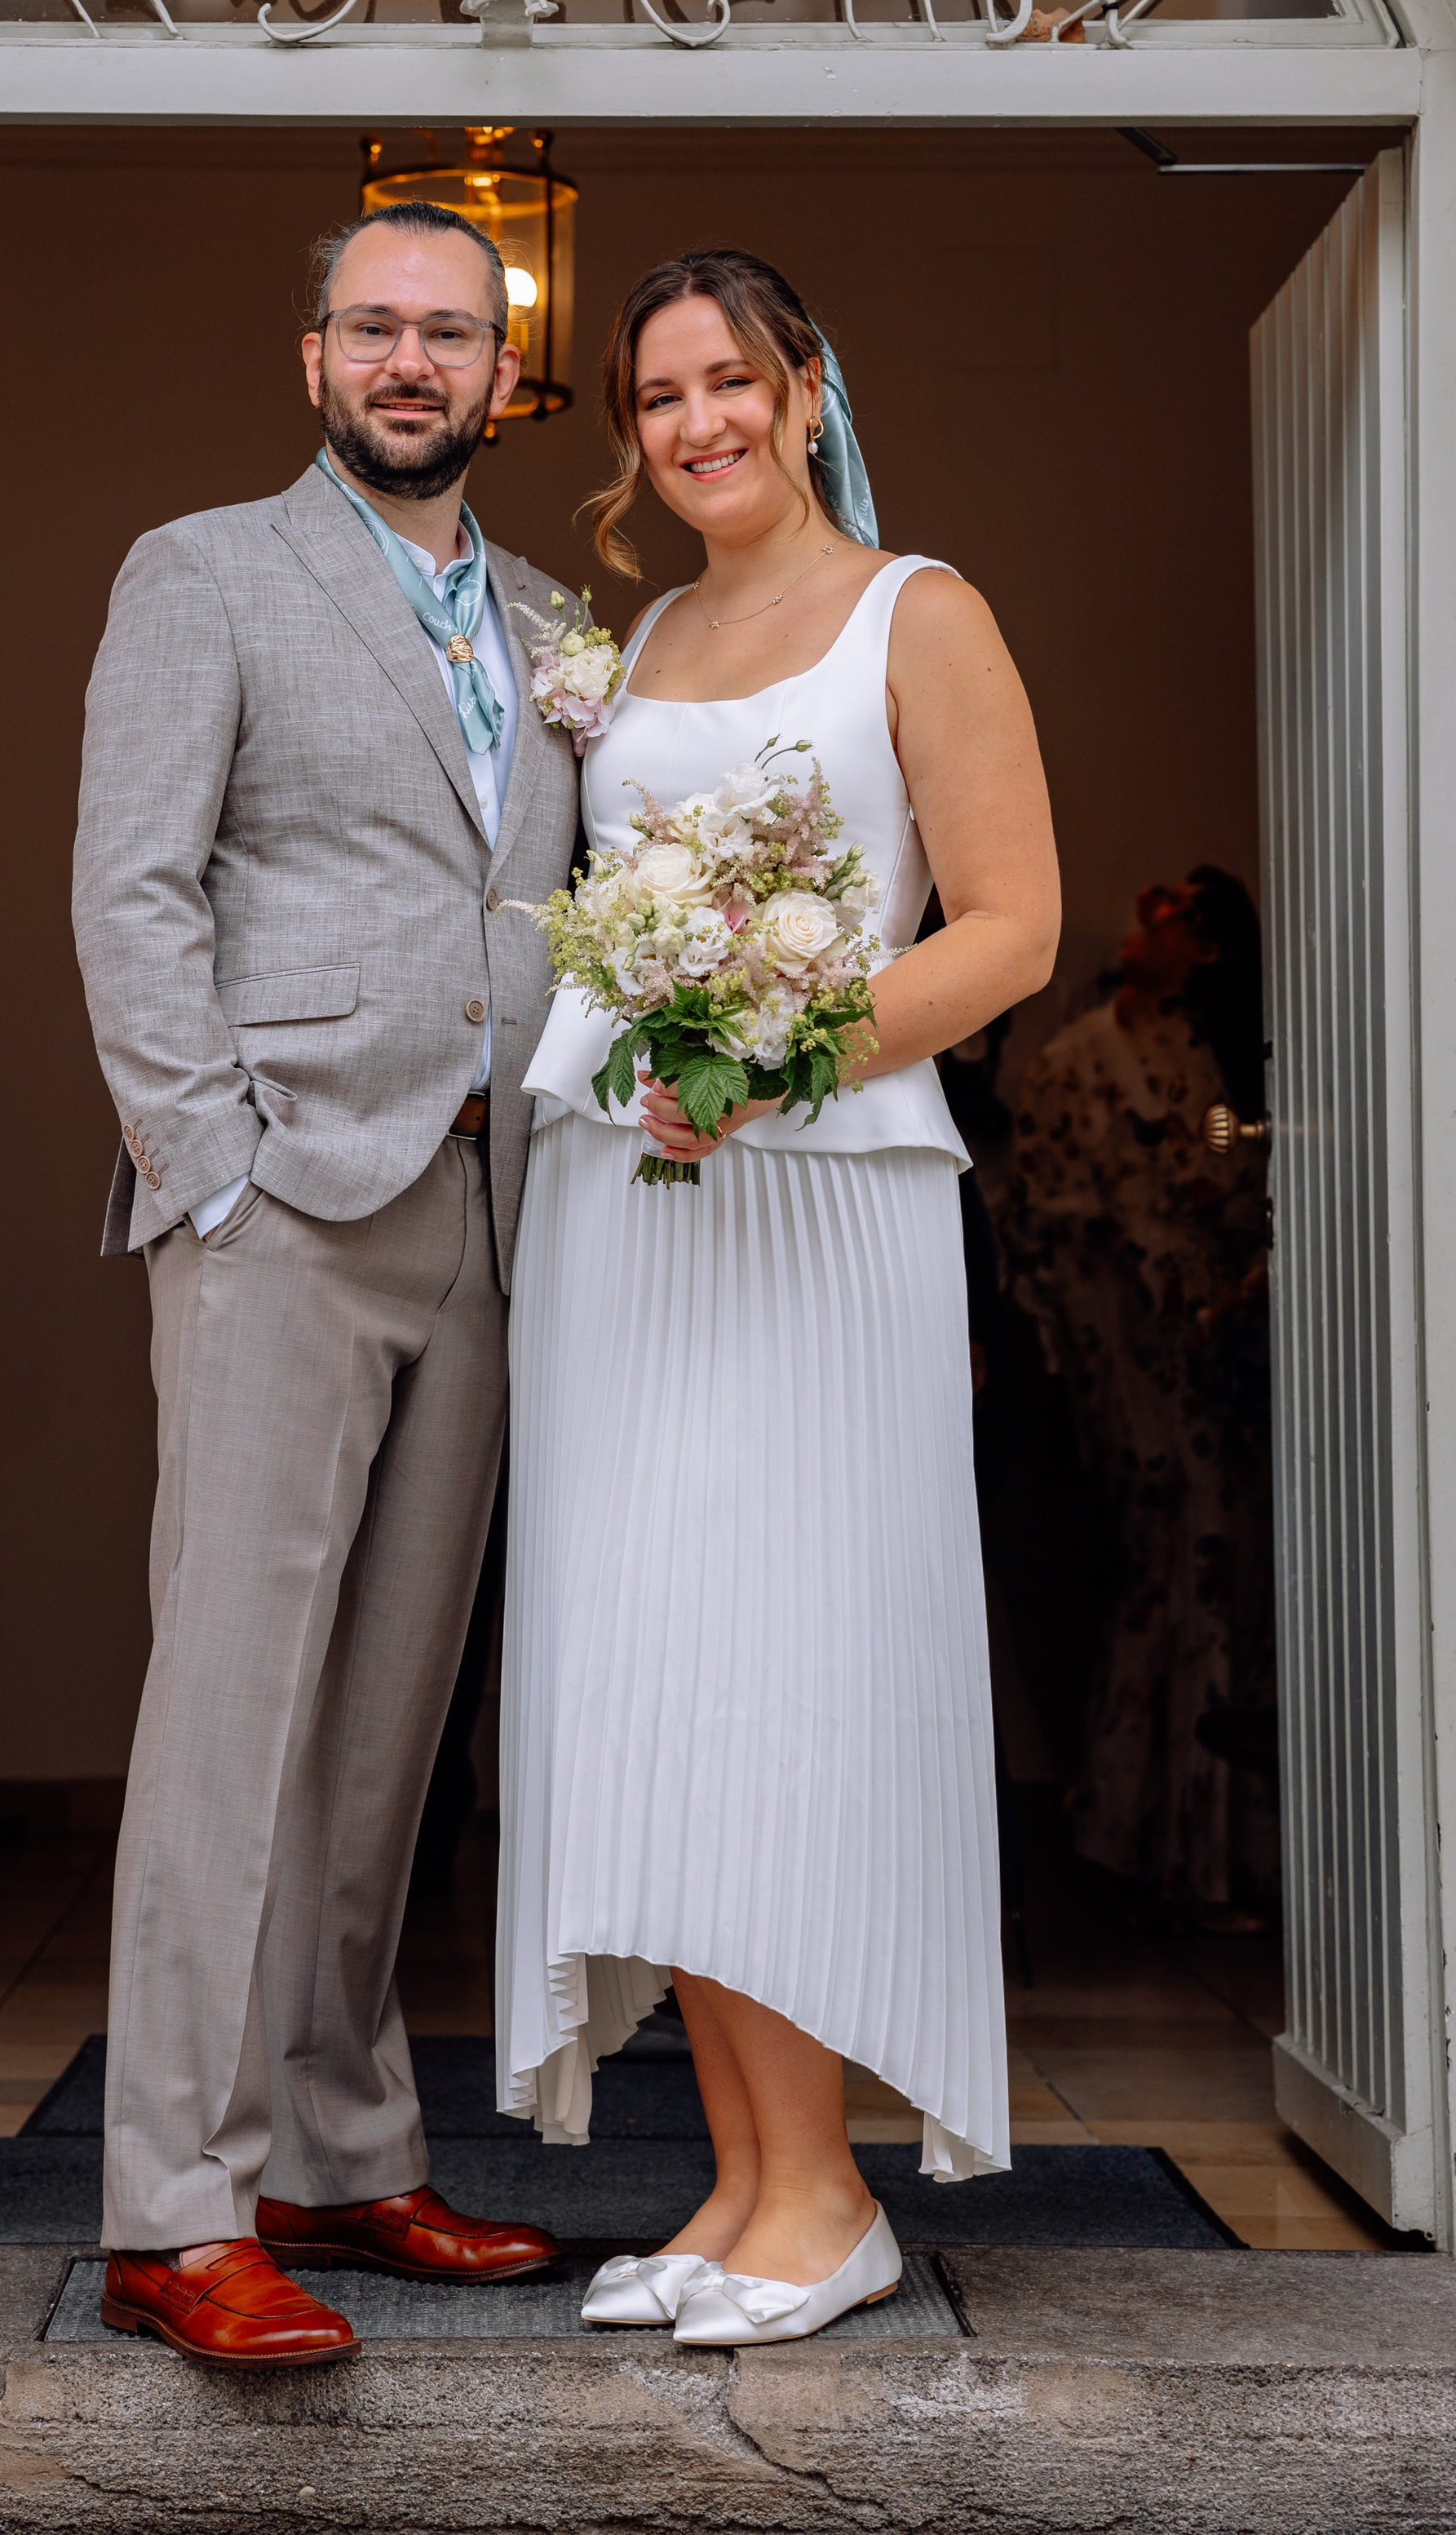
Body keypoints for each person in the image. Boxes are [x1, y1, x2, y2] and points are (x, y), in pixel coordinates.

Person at [496, 249, 1061, 2347]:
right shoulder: (634, 635)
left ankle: (831, 2197)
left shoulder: (926, 609)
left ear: (809, 385)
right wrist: (665, 1062)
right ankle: (742, 2182)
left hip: (818, 1212)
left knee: (785, 1669)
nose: (697, 420)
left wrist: (782, 1051)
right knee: (655, 1669)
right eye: (657, 397)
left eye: (731, 377)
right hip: (632, 1220)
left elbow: (1009, 925)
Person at [73, 204, 583, 2366]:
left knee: (388, 1723)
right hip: (285, 1203)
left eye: (447, 332)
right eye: (374, 326)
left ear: (500, 373)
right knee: (231, 1710)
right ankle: (176, 2203)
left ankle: (341, 2153)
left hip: (487, 1218)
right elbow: (131, 885)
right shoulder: (203, 569)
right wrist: (212, 1183)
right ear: (312, 360)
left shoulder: (563, 621)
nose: (409, 360)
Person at [1002, 870, 1277, 1925]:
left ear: (1204, 946)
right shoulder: (1081, 1062)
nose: (1141, 921)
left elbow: (1251, 1200)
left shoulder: (1227, 1063)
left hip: (1223, 1353)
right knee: (1168, 1560)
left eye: (1169, 914)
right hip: (1132, 1361)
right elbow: (1052, 1232)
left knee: (1222, 1567)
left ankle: (1211, 1848)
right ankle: (1137, 1837)